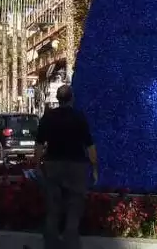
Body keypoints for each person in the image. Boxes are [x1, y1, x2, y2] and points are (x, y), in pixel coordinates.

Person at [34, 85, 97, 249]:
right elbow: (90, 146)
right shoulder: (79, 117)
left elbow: (39, 145)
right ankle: (71, 243)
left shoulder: (48, 117)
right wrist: (95, 168)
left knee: (53, 208)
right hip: (76, 166)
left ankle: (51, 245)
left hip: (53, 165)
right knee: (74, 208)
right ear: (72, 98)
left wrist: (37, 165)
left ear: (57, 98)